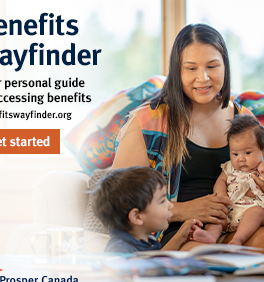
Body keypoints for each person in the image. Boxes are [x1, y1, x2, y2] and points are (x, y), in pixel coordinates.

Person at [112, 23, 264, 250]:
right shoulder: (148, 121)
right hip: (179, 232)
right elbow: (117, 203)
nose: (202, 78)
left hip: (239, 223)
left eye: (212, 66)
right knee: (208, 255)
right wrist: (182, 210)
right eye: (191, 68)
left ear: (225, 66)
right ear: (177, 71)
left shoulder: (245, 120)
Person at [92, 166, 203, 253]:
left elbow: (156, 260)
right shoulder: (119, 250)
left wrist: (181, 236)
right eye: (162, 201)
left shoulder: (146, 240)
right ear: (137, 216)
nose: (170, 206)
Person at [192, 115, 264, 245]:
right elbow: (221, 181)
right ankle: (210, 236)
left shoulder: (261, 167)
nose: (241, 159)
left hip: (252, 209)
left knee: (256, 212)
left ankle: (237, 239)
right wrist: (221, 195)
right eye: (235, 154)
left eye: (248, 153)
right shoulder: (229, 167)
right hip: (229, 209)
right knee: (216, 216)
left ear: (262, 151)